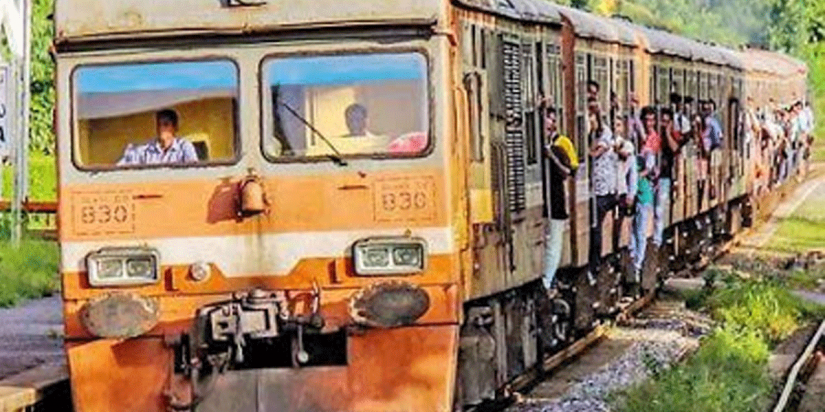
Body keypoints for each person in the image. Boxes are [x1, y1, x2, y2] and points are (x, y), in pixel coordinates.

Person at [542, 106, 577, 293]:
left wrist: (552, 157)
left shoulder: (561, 146)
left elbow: (568, 172)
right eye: (547, 119)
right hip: (543, 204)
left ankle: (548, 281)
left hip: (556, 202)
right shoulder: (534, 147)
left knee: (554, 246)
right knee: (548, 244)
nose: (549, 123)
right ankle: (547, 280)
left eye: (552, 120)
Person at [587, 109, 617, 286]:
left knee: (595, 225)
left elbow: (594, 153)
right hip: (596, 189)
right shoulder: (594, 134)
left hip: (604, 190)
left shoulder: (605, 133)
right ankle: (595, 264)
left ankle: (595, 265)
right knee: (594, 226)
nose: (588, 118)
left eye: (590, 115)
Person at [629, 107, 657, 292]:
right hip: (631, 195)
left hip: (644, 194)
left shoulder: (648, 150)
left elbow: (650, 169)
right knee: (632, 231)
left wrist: (638, 175)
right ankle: (633, 260)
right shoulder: (632, 149)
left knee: (640, 231)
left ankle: (637, 265)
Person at [117, 109, 199, 166]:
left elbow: (194, 172)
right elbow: (121, 167)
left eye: (166, 124)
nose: (161, 129)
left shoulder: (184, 147)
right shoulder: (146, 150)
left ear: (175, 127)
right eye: (159, 125)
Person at [653, 108, 681, 248]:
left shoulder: (673, 135)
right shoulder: (654, 135)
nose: (663, 124)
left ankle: (657, 240)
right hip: (652, 177)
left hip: (665, 178)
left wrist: (668, 133)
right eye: (661, 121)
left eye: (666, 122)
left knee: (660, 209)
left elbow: (675, 149)